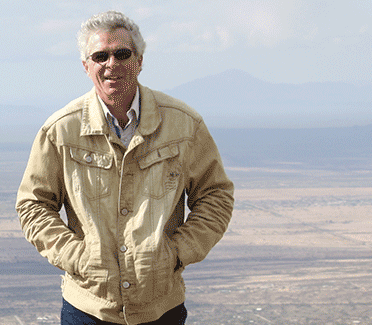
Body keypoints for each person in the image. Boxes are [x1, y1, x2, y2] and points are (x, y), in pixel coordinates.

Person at [16, 11, 234, 325]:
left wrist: (175, 254)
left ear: (140, 60)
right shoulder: (61, 130)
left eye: (122, 53)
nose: (111, 64)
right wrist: (79, 258)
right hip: (88, 308)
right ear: (86, 66)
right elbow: (33, 204)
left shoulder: (184, 124)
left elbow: (216, 196)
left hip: (162, 308)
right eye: (100, 55)